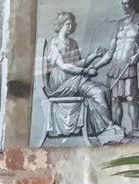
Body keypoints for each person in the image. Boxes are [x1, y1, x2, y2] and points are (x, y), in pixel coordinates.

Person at [40, 11, 114, 143]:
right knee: (98, 92)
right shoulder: (55, 43)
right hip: (60, 82)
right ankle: (108, 126)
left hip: (73, 78)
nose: (70, 26)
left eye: (71, 24)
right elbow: (64, 66)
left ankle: (101, 129)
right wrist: (85, 71)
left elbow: (76, 64)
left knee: (106, 90)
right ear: (60, 25)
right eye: (67, 24)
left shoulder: (72, 42)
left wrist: (94, 55)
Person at [103, 0, 139, 135]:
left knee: (131, 98)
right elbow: (111, 49)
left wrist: (137, 56)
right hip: (116, 65)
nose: (124, 6)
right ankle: (117, 129)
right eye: (122, 3)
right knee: (115, 99)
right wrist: (95, 65)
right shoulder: (118, 24)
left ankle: (135, 130)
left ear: (135, 3)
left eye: (127, 3)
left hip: (131, 64)